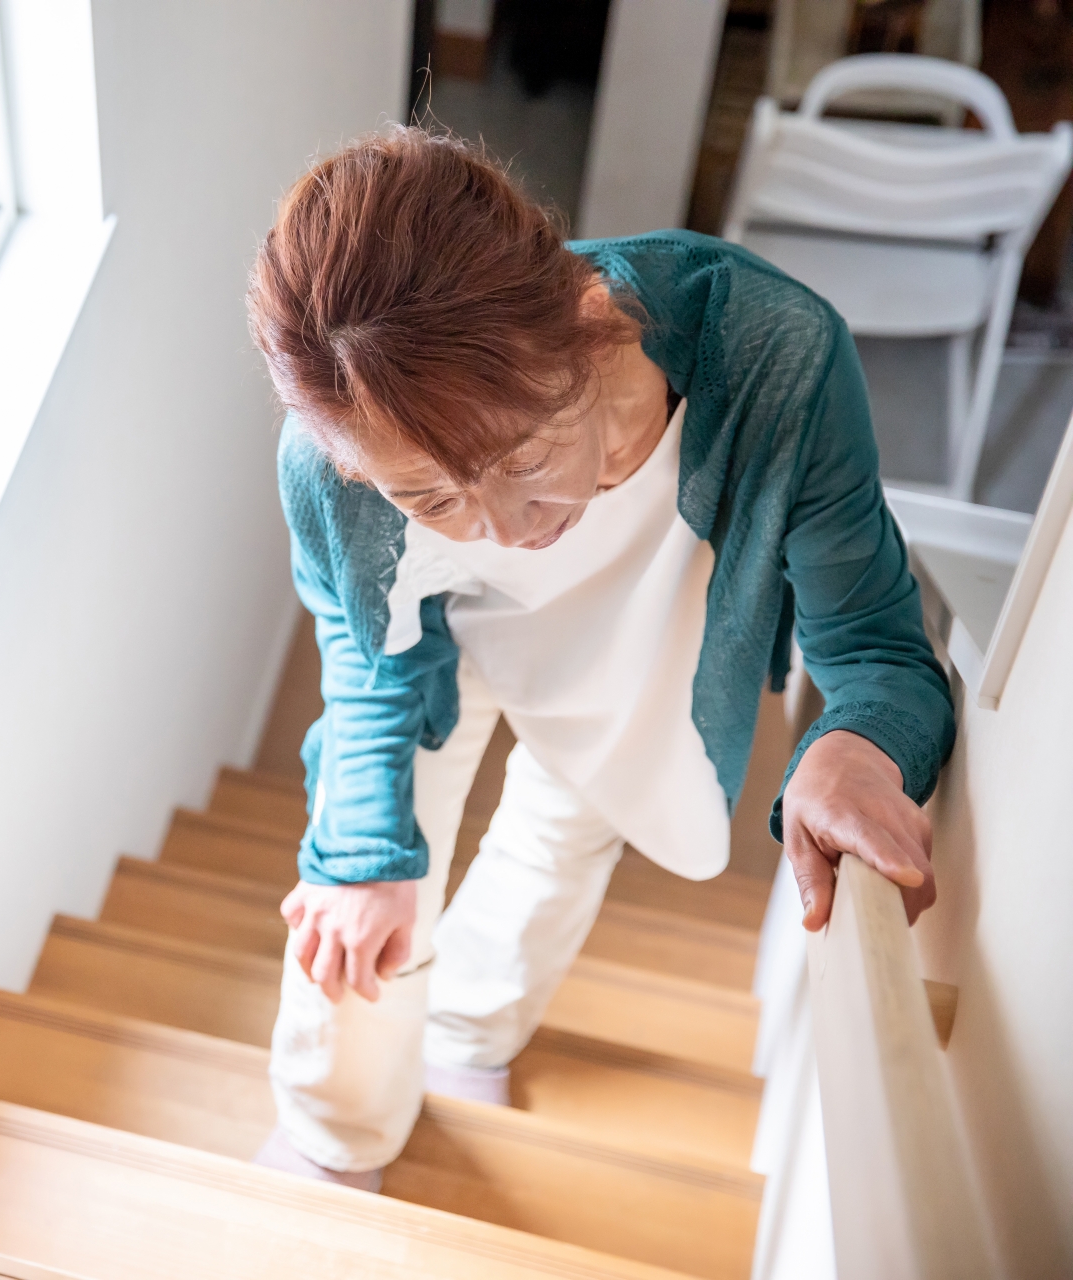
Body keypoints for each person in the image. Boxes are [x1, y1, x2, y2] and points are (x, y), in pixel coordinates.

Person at [242, 126, 954, 1190]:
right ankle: (334, 1128)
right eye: (429, 498)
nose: (501, 527)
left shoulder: (777, 354)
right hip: (436, 635)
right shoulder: (328, 454)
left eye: (522, 456)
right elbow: (363, 643)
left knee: (570, 819)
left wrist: (856, 744)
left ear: (591, 320)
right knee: (368, 855)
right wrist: (364, 857)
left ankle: (471, 1028)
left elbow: (877, 649)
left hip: (644, 618)